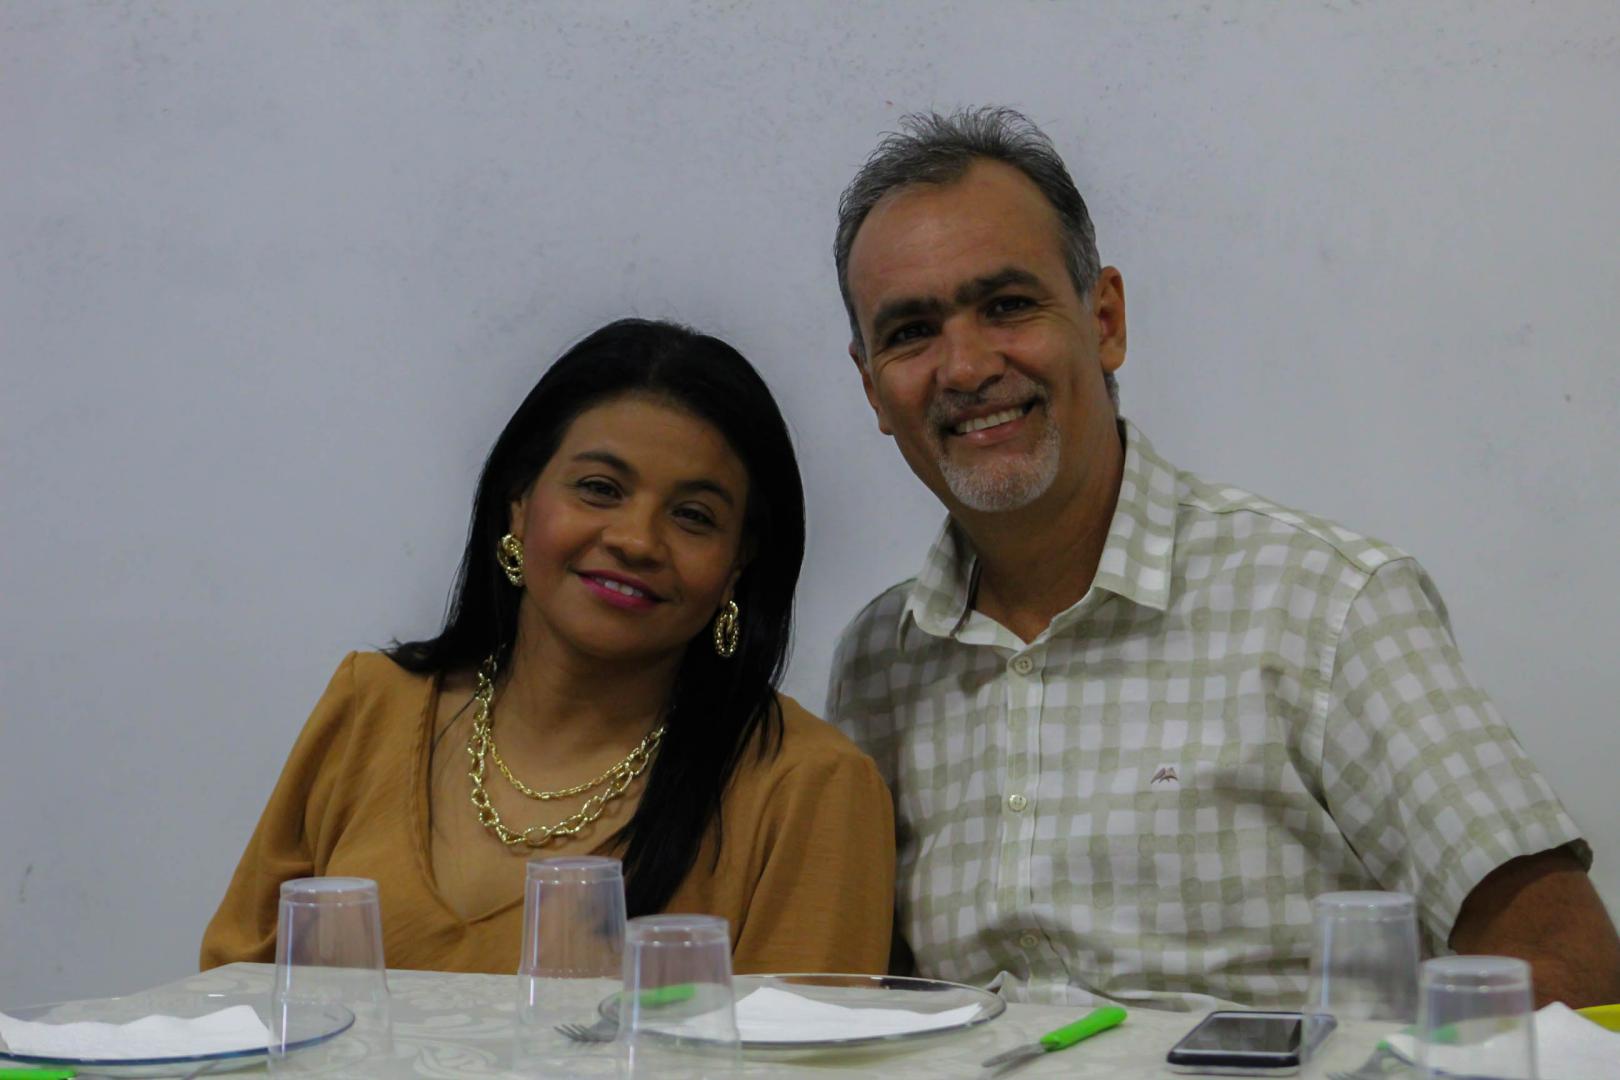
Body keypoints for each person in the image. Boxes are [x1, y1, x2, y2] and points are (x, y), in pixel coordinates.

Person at [825, 107, 1620, 1010]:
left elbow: (1568, 970)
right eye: (911, 331)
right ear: (871, 387)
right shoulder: (879, 665)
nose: (965, 368)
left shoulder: (1326, 605)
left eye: (1006, 305)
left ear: (1105, 319)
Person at [203, 318, 894, 975]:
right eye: (600, 489)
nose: (636, 540)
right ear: (519, 501)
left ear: (738, 563)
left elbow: (807, 1046)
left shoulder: (806, 787)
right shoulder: (370, 706)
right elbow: (234, 1005)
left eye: (693, 516)